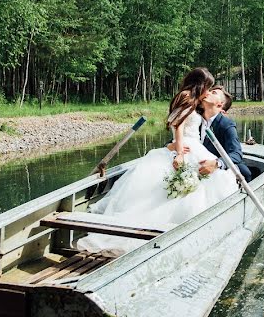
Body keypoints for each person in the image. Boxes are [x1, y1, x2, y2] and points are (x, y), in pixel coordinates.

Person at [76, 68, 238, 253]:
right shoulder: (186, 96)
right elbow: (178, 126)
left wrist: (219, 110)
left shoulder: (195, 100)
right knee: (192, 189)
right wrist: (179, 152)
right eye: (208, 88)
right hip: (185, 148)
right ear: (200, 85)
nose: (209, 92)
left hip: (190, 147)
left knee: (203, 185)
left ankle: (187, 228)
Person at [196, 86, 253, 182]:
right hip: (198, 172)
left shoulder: (226, 124)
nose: (208, 93)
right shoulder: (195, 120)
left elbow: (236, 154)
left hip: (220, 175)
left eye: (213, 92)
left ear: (220, 104)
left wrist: (216, 163)